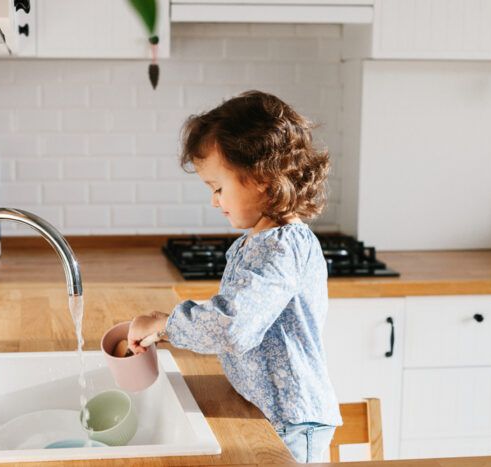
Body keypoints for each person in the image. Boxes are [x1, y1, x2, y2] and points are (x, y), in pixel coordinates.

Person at [128, 90, 342, 463]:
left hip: (292, 423)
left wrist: (167, 323)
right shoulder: (261, 241)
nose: (214, 200)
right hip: (271, 413)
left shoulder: (280, 247)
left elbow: (234, 326)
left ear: (260, 177)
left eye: (218, 188)